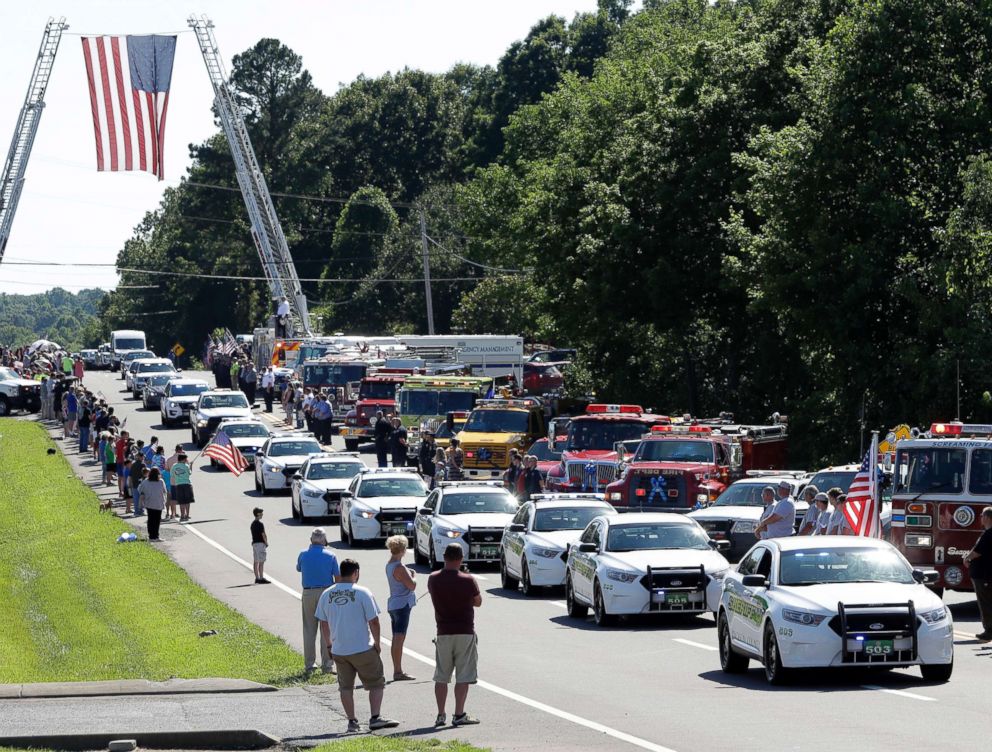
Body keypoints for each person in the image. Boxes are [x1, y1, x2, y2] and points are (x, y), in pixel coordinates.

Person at [315, 559, 399, 733]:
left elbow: (323, 624)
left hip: (339, 649)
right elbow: (373, 621)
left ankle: (352, 721)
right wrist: (377, 642)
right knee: (376, 683)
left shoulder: (326, 594)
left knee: (345, 687)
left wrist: (329, 646)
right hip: (362, 647)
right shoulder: (362, 592)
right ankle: (375, 717)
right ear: (356, 573)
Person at [428, 543, 482, 728]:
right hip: (465, 631)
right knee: (463, 675)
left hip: (443, 631)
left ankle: (440, 714)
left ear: (444, 557)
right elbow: (478, 602)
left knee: (441, 675)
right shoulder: (468, 580)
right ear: (461, 558)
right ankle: (459, 713)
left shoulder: (433, 579)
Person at [297, 528, 341, 674]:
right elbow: (338, 577)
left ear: (311, 539)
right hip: (326, 592)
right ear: (324, 540)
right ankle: (327, 664)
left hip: (308, 592)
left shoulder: (303, 554)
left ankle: (310, 665)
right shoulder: (331, 555)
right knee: (326, 629)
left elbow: (299, 568)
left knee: (309, 629)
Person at [385, 535, 417, 681]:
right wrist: (414, 575)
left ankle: (397, 669)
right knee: (399, 637)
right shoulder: (399, 567)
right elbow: (412, 585)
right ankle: (398, 671)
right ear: (403, 549)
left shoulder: (390, 564)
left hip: (394, 604)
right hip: (402, 605)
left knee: (396, 637)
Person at [964, 507, 992, 642]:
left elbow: (978, 552)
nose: (980, 518)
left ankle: (989, 632)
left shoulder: (989, 534)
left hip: (984, 575)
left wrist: (967, 558)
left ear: (987, 518)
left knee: (985, 604)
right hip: (984, 575)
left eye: (982, 516)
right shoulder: (987, 533)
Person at [137, 467, 167, 541]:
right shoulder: (161, 481)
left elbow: (140, 490)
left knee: (150, 519)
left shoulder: (145, 481)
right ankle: (156, 536)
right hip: (158, 503)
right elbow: (164, 491)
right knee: (157, 520)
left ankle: (151, 536)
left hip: (149, 502)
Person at [171, 453, 195, 522]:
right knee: (187, 501)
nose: (186, 460)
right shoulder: (186, 466)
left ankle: (182, 515)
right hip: (187, 484)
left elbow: (172, 475)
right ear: (183, 459)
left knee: (181, 501)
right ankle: (187, 515)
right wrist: (191, 466)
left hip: (178, 485)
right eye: (185, 459)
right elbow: (190, 473)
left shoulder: (174, 466)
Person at [251, 507, 269, 584]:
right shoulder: (260, 524)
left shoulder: (252, 524)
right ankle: (261, 578)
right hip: (260, 544)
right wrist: (266, 542)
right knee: (261, 562)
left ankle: (257, 577)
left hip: (254, 544)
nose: (262, 514)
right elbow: (263, 534)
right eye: (261, 513)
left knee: (256, 561)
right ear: (258, 514)